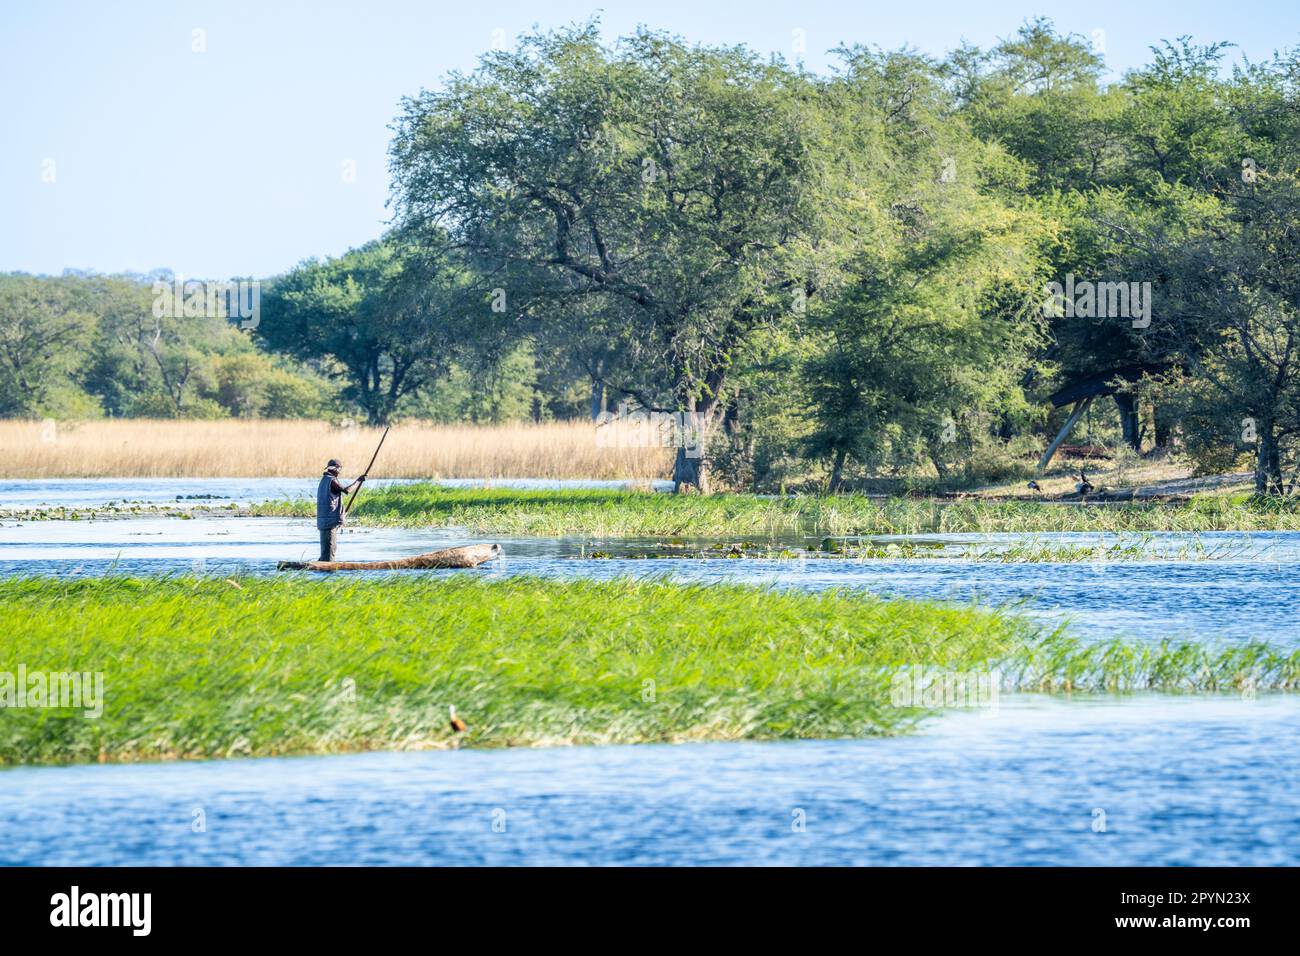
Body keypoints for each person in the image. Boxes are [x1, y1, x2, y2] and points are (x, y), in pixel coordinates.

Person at [316, 459, 364, 562]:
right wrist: (358, 481)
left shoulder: (324, 480)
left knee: (326, 551)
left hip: (324, 521)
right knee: (330, 551)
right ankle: (327, 571)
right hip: (328, 523)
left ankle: (322, 565)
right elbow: (347, 490)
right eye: (339, 470)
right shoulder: (331, 480)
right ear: (335, 469)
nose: (339, 472)